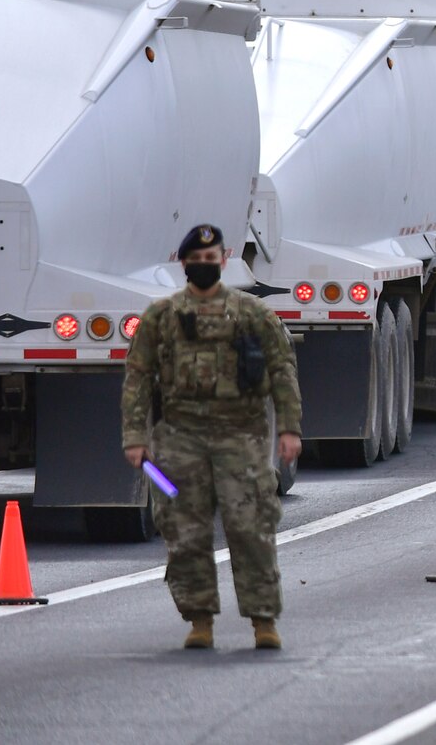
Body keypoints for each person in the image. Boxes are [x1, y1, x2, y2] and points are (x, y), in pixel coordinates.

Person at [119, 224, 302, 651]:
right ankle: (198, 618)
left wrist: (290, 430)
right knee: (184, 530)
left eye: (211, 259)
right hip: (179, 439)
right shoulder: (160, 317)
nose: (204, 265)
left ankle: (263, 620)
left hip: (242, 436)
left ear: (224, 260)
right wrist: (135, 437)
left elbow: (282, 371)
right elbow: (138, 378)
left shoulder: (254, 314)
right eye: (196, 260)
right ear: (183, 263)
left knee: (252, 527)